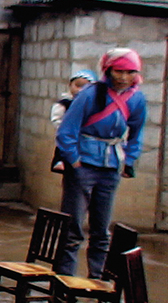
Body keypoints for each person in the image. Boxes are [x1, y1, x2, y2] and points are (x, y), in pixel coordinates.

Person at [56, 48, 146, 278]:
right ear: (108, 70)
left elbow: (136, 133)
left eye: (130, 72)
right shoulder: (91, 94)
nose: (124, 77)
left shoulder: (136, 99)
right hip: (83, 165)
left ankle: (97, 280)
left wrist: (130, 160)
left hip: (110, 167)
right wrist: (74, 161)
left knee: (101, 230)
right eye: (119, 71)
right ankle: (64, 280)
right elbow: (66, 131)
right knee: (73, 228)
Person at [50, 69, 97, 172]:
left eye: (86, 87)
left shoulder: (94, 106)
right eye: (78, 85)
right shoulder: (65, 103)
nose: (80, 90)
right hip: (69, 137)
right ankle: (60, 161)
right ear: (70, 85)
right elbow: (57, 120)